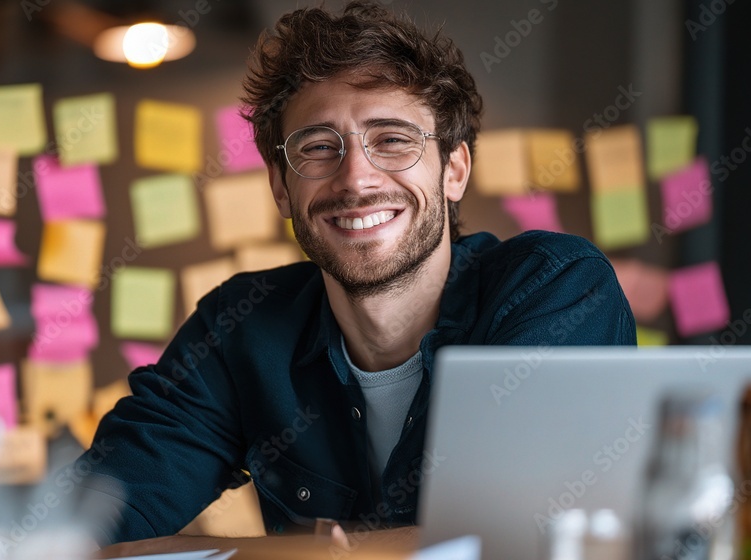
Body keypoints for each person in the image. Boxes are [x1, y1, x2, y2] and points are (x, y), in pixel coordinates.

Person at [76, 1, 636, 545]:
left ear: (455, 170)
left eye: (392, 140)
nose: (355, 179)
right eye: (319, 147)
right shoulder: (239, 328)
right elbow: (85, 522)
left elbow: (530, 536)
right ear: (280, 187)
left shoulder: (555, 288)